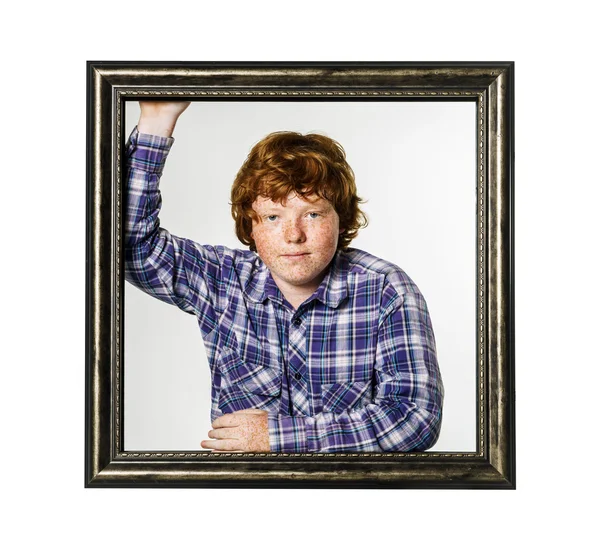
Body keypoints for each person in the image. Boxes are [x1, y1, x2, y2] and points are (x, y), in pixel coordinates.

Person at [125, 101, 443, 453]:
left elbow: (415, 417)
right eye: (273, 217)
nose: (293, 235)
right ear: (250, 224)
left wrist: (276, 437)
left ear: (342, 218)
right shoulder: (220, 280)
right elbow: (128, 246)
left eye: (312, 215)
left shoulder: (385, 289)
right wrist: (157, 119)